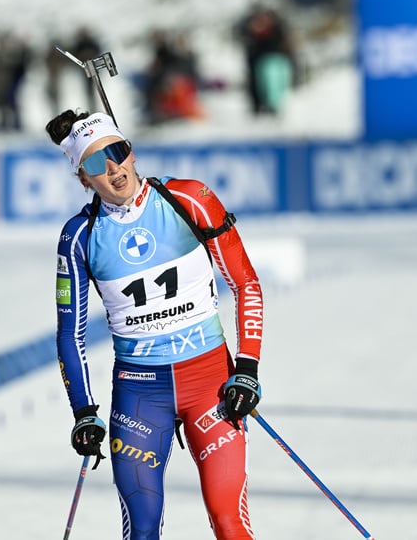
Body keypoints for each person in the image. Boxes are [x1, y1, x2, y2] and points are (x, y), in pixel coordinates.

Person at [47, 109, 264, 539]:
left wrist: (247, 369)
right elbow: (69, 335)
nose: (112, 168)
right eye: (95, 163)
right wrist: (84, 413)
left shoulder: (188, 199)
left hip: (210, 385)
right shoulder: (79, 236)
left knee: (228, 520)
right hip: (140, 395)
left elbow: (245, 284)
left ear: (131, 151)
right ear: (82, 178)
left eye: (117, 151)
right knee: (142, 531)